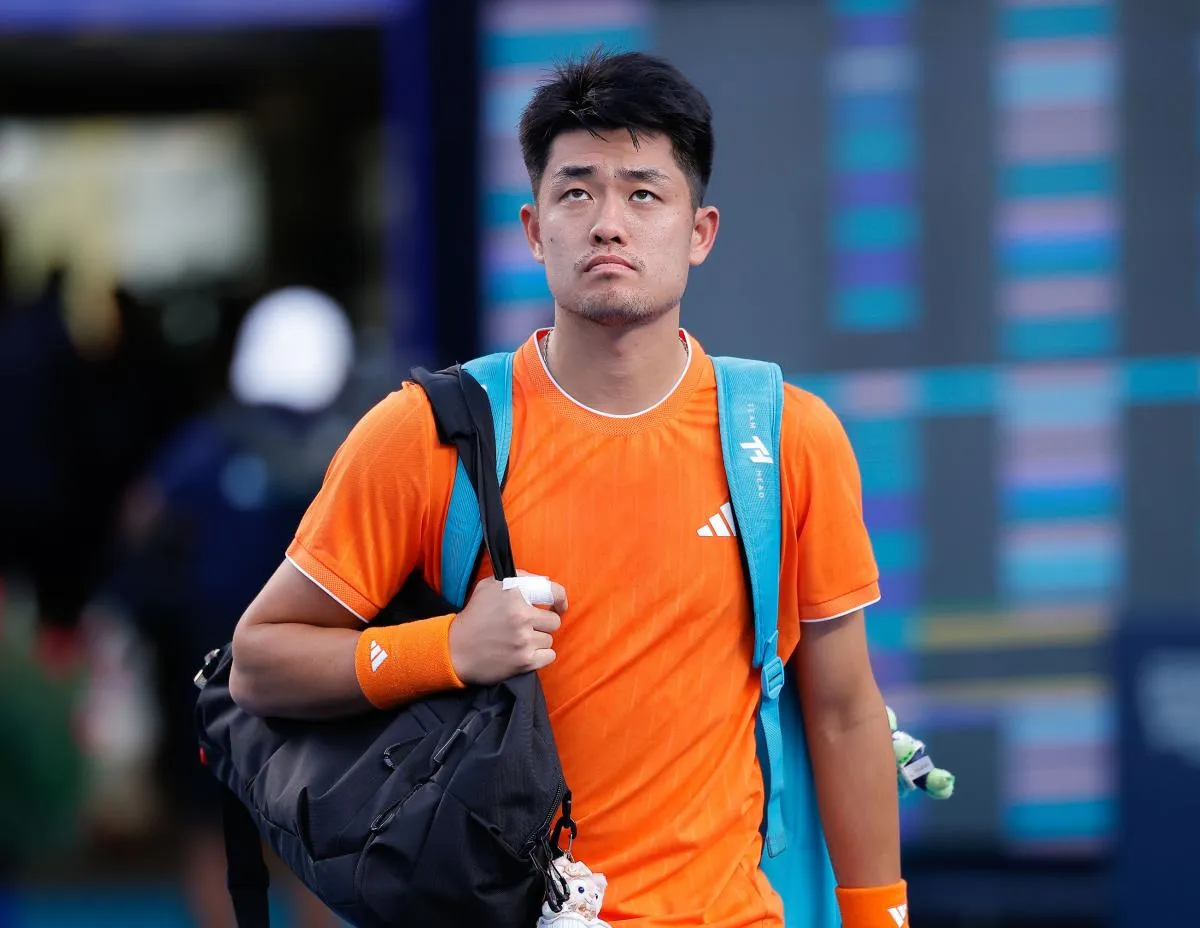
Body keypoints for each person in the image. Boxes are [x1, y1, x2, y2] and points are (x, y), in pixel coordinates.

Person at [230, 49, 905, 928]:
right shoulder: (429, 434)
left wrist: (881, 916)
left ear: (700, 232)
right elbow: (259, 661)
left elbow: (846, 710)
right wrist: (448, 648)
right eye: (577, 192)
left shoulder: (786, 437)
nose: (608, 224)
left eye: (644, 194)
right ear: (533, 227)